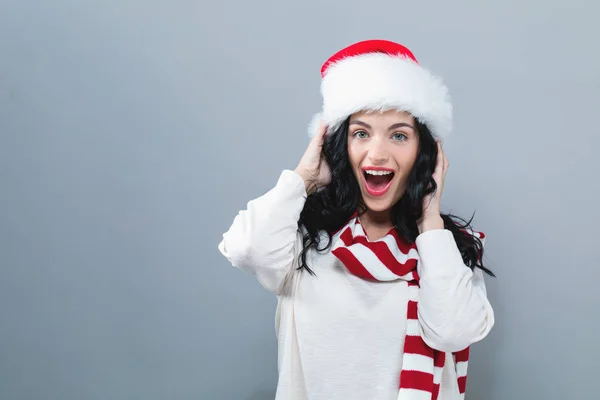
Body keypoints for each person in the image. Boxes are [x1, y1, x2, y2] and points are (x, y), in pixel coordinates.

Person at [218, 39, 495, 400]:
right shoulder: (304, 241)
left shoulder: (447, 252)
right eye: (360, 133)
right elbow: (246, 249)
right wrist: (304, 176)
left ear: (422, 153)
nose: (377, 153)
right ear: (339, 147)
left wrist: (429, 221)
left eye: (399, 135)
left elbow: (452, 331)